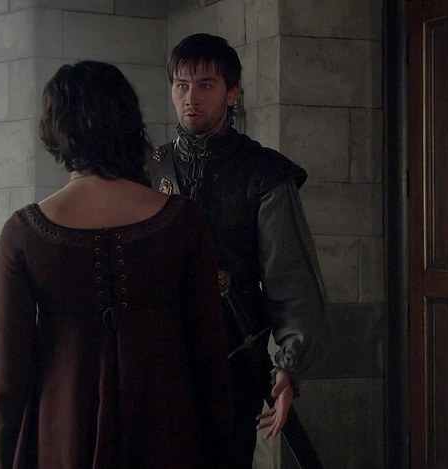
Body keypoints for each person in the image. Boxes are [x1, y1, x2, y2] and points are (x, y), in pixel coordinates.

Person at [0, 60, 232, 469]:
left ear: (55, 129)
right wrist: (220, 447)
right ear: (129, 123)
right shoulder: (183, 221)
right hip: (167, 430)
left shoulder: (24, 232)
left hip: (63, 429)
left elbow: (10, 372)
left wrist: (7, 454)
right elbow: (209, 353)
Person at [146, 33, 328, 468]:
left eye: (205, 85)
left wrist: (288, 366)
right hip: (156, 364)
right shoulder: (149, 170)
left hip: (232, 362)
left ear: (232, 94)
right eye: (181, 85)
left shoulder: (263, 172)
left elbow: (291, 278)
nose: (191, 98)